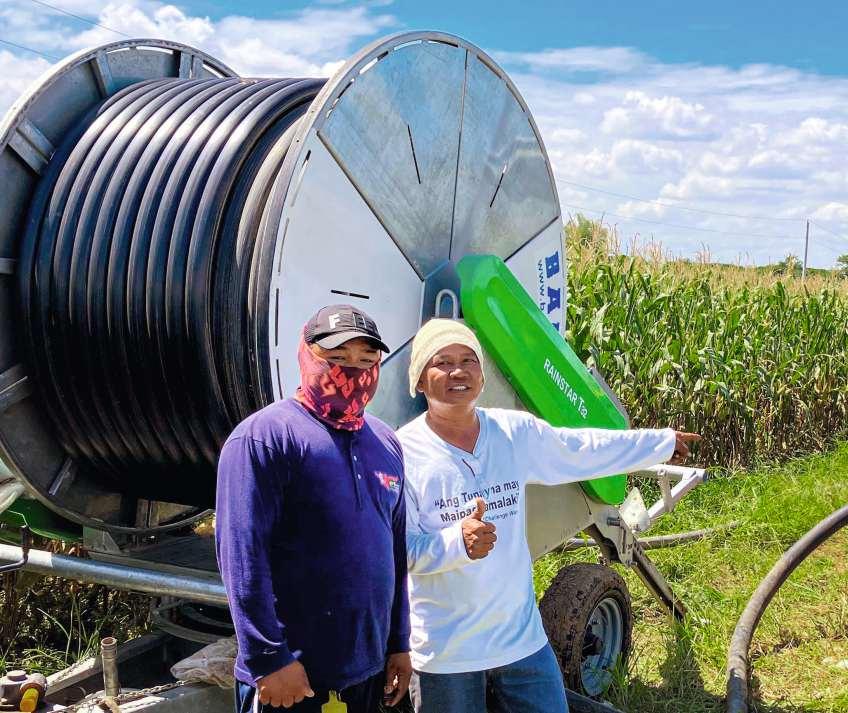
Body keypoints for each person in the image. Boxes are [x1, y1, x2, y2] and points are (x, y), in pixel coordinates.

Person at [398, 318, 701, 713]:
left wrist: (658, 444)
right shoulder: (402, 453)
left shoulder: (511, 433)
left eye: (468, 360)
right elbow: (398, 551)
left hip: (520, 642)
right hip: (447, 654)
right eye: (442, 362)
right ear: (420, 381)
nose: (458, 372)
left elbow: (581, 449)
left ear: (482, 376)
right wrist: (456, 544)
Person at [216, 305, 412, 712]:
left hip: (367, 674)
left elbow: (394, 553)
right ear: (305, 354)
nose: (353, 371)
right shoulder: (264, 438)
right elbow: (242, 557)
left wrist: (399, 642)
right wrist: (269, 659)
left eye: (366, 360)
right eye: (337, 357)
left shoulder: (385, 442)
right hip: (290, 680)